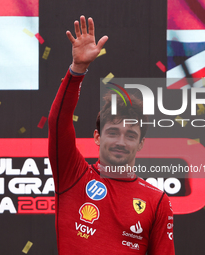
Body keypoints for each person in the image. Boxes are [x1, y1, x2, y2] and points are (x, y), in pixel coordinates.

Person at [48, 15, 175, 254]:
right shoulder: (73, 175)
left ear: (140, 144)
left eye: (130, 135)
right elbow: (58, 123)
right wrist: (77, 70)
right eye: (113, 132)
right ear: (97, 137)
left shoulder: (157, 201)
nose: (120, 141)